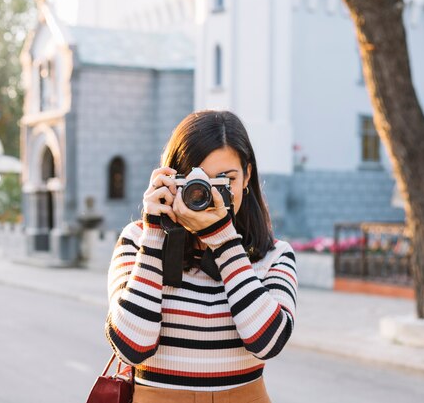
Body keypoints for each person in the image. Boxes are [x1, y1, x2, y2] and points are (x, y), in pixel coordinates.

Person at [105, 110, 297, 403]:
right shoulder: (137, 240)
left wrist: (223, 241)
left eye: (225, 180)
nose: (211, 195)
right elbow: (132, 346)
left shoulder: (274, 255)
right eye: (199, 182)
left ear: (247, 175)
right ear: (172, 179)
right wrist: (156, 232)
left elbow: (268, 343)